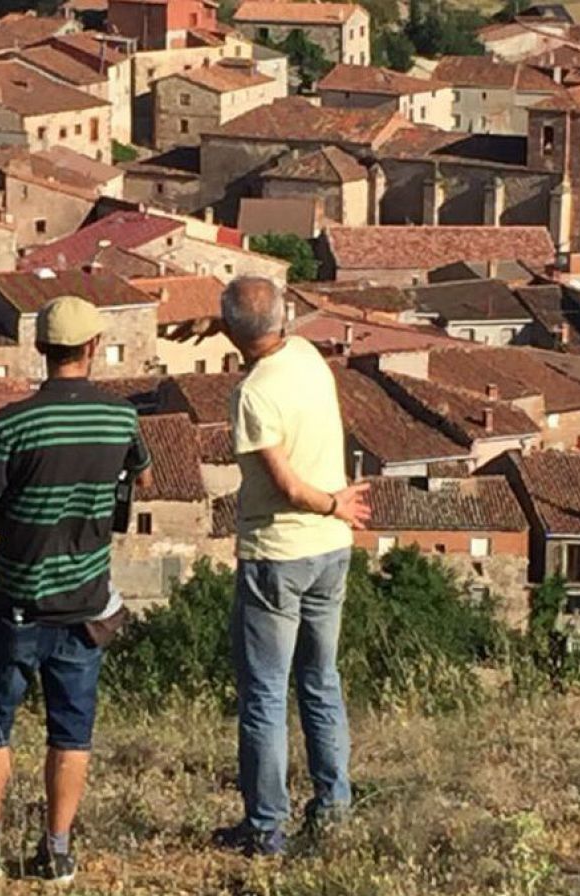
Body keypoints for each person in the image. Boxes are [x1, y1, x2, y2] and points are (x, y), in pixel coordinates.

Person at [0, 295, 153, 883]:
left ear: (41, 349)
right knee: (71, 731)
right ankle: (57, 849)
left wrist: (23, 517)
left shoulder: (12, 424)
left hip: (17, 599)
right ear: (94, 349)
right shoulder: (121, 419)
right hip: (86, 602)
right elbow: (140, 472)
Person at [212, 276, 371, 857]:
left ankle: (265, 828)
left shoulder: (252, 395)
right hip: (331, 549)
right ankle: (333, 809)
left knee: (264, 696)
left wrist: (330, 502)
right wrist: (341, 509)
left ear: (231, 331)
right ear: (283, 319)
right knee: (321, 682)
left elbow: (283, 485)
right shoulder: (306, 356)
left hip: (278, 553)